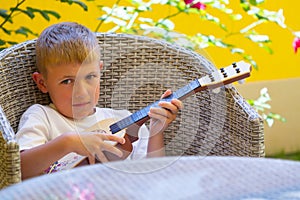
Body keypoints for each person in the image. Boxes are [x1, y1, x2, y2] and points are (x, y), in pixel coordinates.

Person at [16, 22, 183, 180]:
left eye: (90, 77)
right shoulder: (42, 117)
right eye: (67, 81)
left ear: (100, 71)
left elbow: (154, 177)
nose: (81, 93)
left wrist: (156, 130)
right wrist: (69, 142)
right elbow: (18, 170)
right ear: (42, 83)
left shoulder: (124, 119)